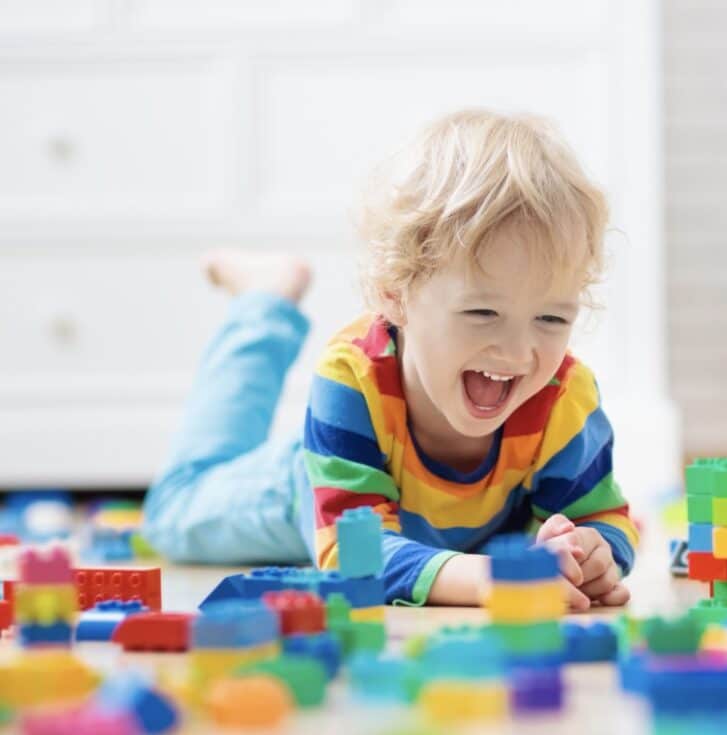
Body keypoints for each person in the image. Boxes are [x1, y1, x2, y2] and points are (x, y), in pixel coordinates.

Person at [144, 110, 637, 610]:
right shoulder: (352, 379)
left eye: (551, 319)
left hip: (426, 535)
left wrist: (594, 554)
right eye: (483, 311)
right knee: (175, 510)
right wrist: (491, 579)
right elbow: (353, 553)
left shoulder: (563, 398)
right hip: (305, 487)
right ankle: (264, 304)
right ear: (395, 295)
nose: (517, 352)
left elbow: (604, 518)